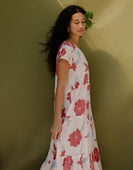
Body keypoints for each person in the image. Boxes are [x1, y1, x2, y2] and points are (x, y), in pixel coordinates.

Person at [39, 5, 102, 170]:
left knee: (80, 155)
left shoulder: (75, 48)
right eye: (76, 22)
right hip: (70, 114)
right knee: (66, 156)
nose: (81, 25)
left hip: (82, 114)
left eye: (82, 21)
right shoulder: (66, 49)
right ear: (67, 25)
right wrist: (57, 121)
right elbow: (60, 87)